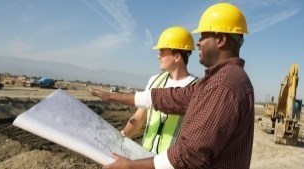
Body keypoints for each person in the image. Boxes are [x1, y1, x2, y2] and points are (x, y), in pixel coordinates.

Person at [90, 2, 254, 169]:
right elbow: (172, 98)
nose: (198, 43)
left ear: (221, 40)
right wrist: (111, 96)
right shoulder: (217, 80)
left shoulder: (223, 85)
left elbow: (190, 155)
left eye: (203, 36)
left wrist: (130, 166)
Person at [120, 26, 197, 154]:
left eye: (162, 51)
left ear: (177, 56)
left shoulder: (196, 88)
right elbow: (139, 117)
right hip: (144, 159)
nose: (158, 56)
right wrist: (124, 134)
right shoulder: (155, 81)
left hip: (171, 164)